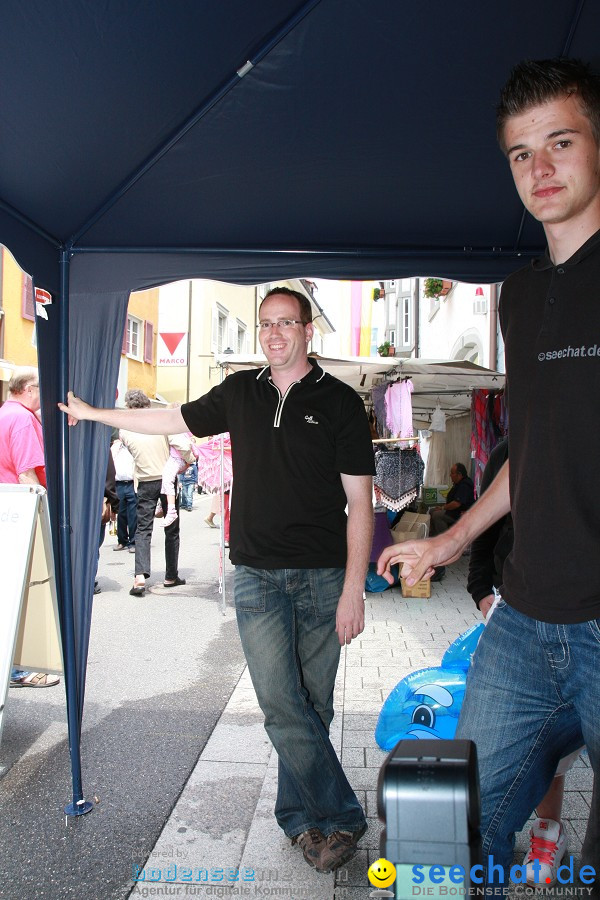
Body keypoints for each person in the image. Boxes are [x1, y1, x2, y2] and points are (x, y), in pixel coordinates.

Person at [58, 286, 375, 874]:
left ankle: (304, 823)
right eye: (266, 324)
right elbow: (171, 416)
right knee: (283, 704)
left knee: (315, 708)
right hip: (257, 575)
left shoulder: (339, 403)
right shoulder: (239, 392)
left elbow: (361, 503)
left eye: (286, 323)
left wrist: (355, 588)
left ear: (309, 330)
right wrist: (97, 414)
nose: (274, 333)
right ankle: (345, 817)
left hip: (325, 577)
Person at [378, 58, 600, 886]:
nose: (539, 170)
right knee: (446, 832)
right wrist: (447, 542)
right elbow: (529, 455)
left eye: (561, 142)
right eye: (520, 154)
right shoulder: (517, 295)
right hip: (521, 619)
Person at [468, 438, 590, 887]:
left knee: (563, 747)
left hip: (587, 619)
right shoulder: (508, 450)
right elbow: (483, 540)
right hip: (514, 615)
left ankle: (547, 828)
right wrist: (484, 595)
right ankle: (539, 830)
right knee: (485, 777)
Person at [0, 368, 59, 688]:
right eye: (41, 388)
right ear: (27, 389)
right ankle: (17, 669)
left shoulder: (4, 414)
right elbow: (27, 474)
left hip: (6, 510)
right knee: (18, 596)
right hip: (19, 515)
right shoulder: (22, 419)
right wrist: (44, 517)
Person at [118, 389, 188, 597]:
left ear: (129, 408)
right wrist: (189, 460)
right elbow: (181, 444)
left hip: (145, 481)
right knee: (171, 528)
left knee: (143, 530)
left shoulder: (125, 431)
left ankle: (140, 577)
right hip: (167, 479)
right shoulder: (159, 422)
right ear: (147, 405)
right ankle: (171, 575)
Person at [429, 462, 475, 581]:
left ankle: (446, 542)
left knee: (437, 516)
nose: (450, 475)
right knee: (432, 512)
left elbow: (456, 503)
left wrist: (443, 508)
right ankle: (435, 541)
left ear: (459, 474)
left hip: (460, 515)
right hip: (455, 513)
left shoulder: (464, 485)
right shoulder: (458, 484)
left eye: (452, 473)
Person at [111, 436, 137, 552]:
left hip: (132, 484)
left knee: (133, 515)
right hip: (119, 485)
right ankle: (122, 541)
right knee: (120, 514)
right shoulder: (116, 448)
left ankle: (133, 542)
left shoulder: (134, 446)